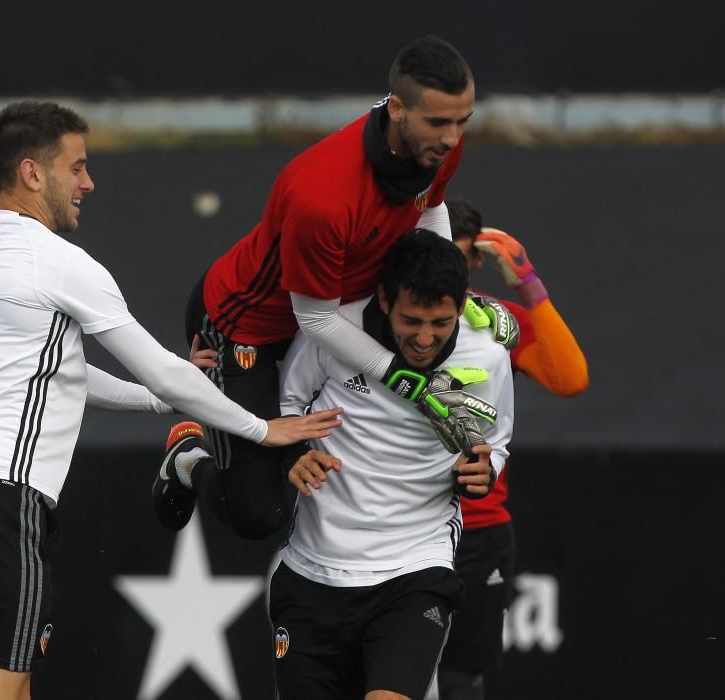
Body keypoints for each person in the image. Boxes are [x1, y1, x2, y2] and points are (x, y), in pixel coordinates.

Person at [0, 101, 342, 700]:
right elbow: (161, 370)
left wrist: (163, 402)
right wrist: (262, 430)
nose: (89, 183)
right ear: (33, 173)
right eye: (76, 167)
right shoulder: (55, 259)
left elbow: (63, 373)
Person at [154, 36, 494, 540]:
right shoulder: (324, 197)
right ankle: (186, 458)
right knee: (257, 513)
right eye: (439, 123)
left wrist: (452, 299)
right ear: (397, 109)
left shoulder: (439, 146)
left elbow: (431, 209)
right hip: (244, 327)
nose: (451, 137)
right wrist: (405, 377)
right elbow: (314, 319)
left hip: (336, 311)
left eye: (463, 121)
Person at [268, 229, 515, 700]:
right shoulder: (334, 328)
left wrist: (485, 471)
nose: (424, 338)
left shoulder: (488, 353)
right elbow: (288, 401)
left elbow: (497, 442)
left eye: (441, 322)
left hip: (415, 569)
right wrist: (292, 453)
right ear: (383, 299)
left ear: (462, 305)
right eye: (411, 320)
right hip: (312, 570)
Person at [436, 199, 589, 700]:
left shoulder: (494, 320)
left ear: (476, 260)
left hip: (478, 527)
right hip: (396, 520)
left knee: (460, 677)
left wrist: (527, 283)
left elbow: (570, 378)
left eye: (455, 258)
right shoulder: (386, 314)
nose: (442, 273)